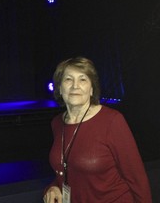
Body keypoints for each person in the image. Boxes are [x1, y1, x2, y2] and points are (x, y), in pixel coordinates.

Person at [43, 57, 152, 203]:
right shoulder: (57, 123)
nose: (75, 86)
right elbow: (68, 169)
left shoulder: (112, 120)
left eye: (83, 80)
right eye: (68, 79)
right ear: (60, 88)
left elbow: (136, 178)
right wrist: (53, 187)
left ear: (92, 89)